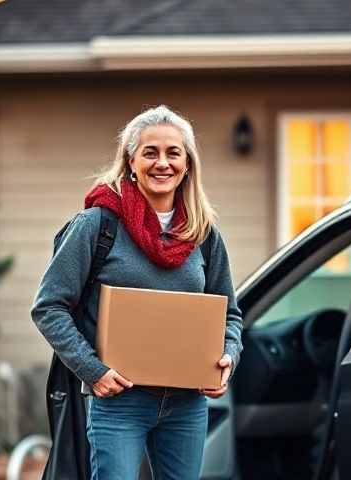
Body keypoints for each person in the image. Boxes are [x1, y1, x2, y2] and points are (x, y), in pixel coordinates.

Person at [31, 105, 243, 479]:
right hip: (118, 402)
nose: (162, 163)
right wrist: (92, 371)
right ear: (131, 162)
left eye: (173, 152)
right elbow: (49, 307)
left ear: (188, 164)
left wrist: (228, 354)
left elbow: (230, 314)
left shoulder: (204, 234)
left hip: (187, 402)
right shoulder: (98, 224)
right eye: (150, 152)